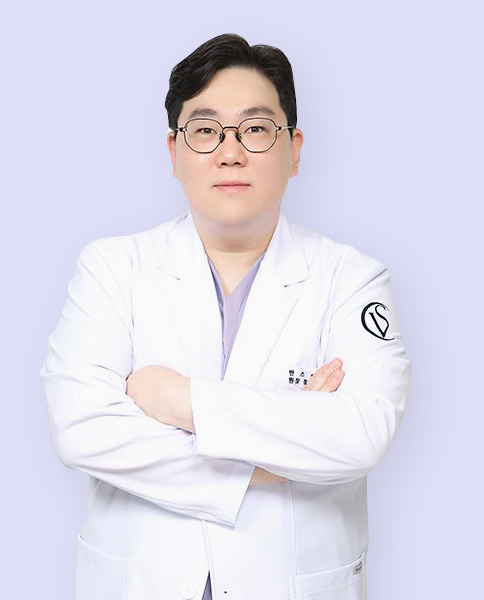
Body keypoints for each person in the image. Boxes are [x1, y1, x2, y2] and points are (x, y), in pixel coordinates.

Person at [40, 33, 411, 600]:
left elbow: (362, 433)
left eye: (256, 129)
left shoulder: (351, 278)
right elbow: (81, 430)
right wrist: (274, 459)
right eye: (206, 130)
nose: (230, 152)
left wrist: (180, 401)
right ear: (174, 152)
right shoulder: (112, 268)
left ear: (294, 150)